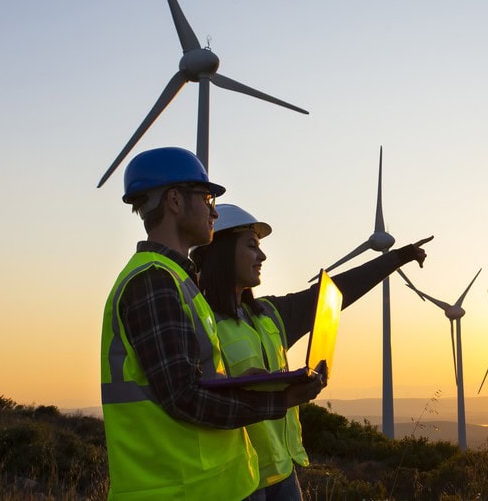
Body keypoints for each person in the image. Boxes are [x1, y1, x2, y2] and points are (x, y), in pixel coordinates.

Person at [100, 147, 326, 500]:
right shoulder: (153, 282)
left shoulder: (176, 279)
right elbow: (184, 397)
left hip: (210, 485)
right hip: (179, 490)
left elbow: (190, 379)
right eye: (207, 198)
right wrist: (279, 400)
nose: (214, 211)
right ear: (175, 201)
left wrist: (241, 384)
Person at [192, 203, 432, 500]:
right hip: (236, 481)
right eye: (252, 246)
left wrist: (398, 257)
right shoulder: (196, 322)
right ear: (223, 253)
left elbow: (336, 292)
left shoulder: (270, 314)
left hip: (283, 473)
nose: (262, 256)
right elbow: (194, 400)